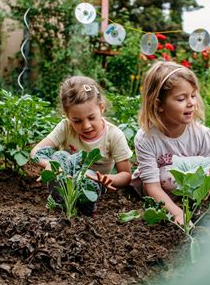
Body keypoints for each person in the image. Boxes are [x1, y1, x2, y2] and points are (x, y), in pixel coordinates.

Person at [132, 61, 210, 225]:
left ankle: (191, 204)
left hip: (188, 192)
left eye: (193, 96)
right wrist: (177, 213)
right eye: (181, 98)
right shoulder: (146, 138)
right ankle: (177, 205)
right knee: (169, 174)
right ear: (159, 105)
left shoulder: (202, 134)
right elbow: (152, 187)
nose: (191, 103)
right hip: (158, 191)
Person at [30, 75, 133, 215]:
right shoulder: (66, 127)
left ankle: (85, 214)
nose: (86, 126)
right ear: (67, 116)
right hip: (65, 179)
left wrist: (108, 179)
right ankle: (58, 205)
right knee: (60, 156)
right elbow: (36, 152)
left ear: (101, 108)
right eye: (77, 121)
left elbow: (126, 175)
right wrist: (50, 165)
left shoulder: (114, 135)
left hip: (93, 182)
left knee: (87, 176)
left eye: (91, 118)